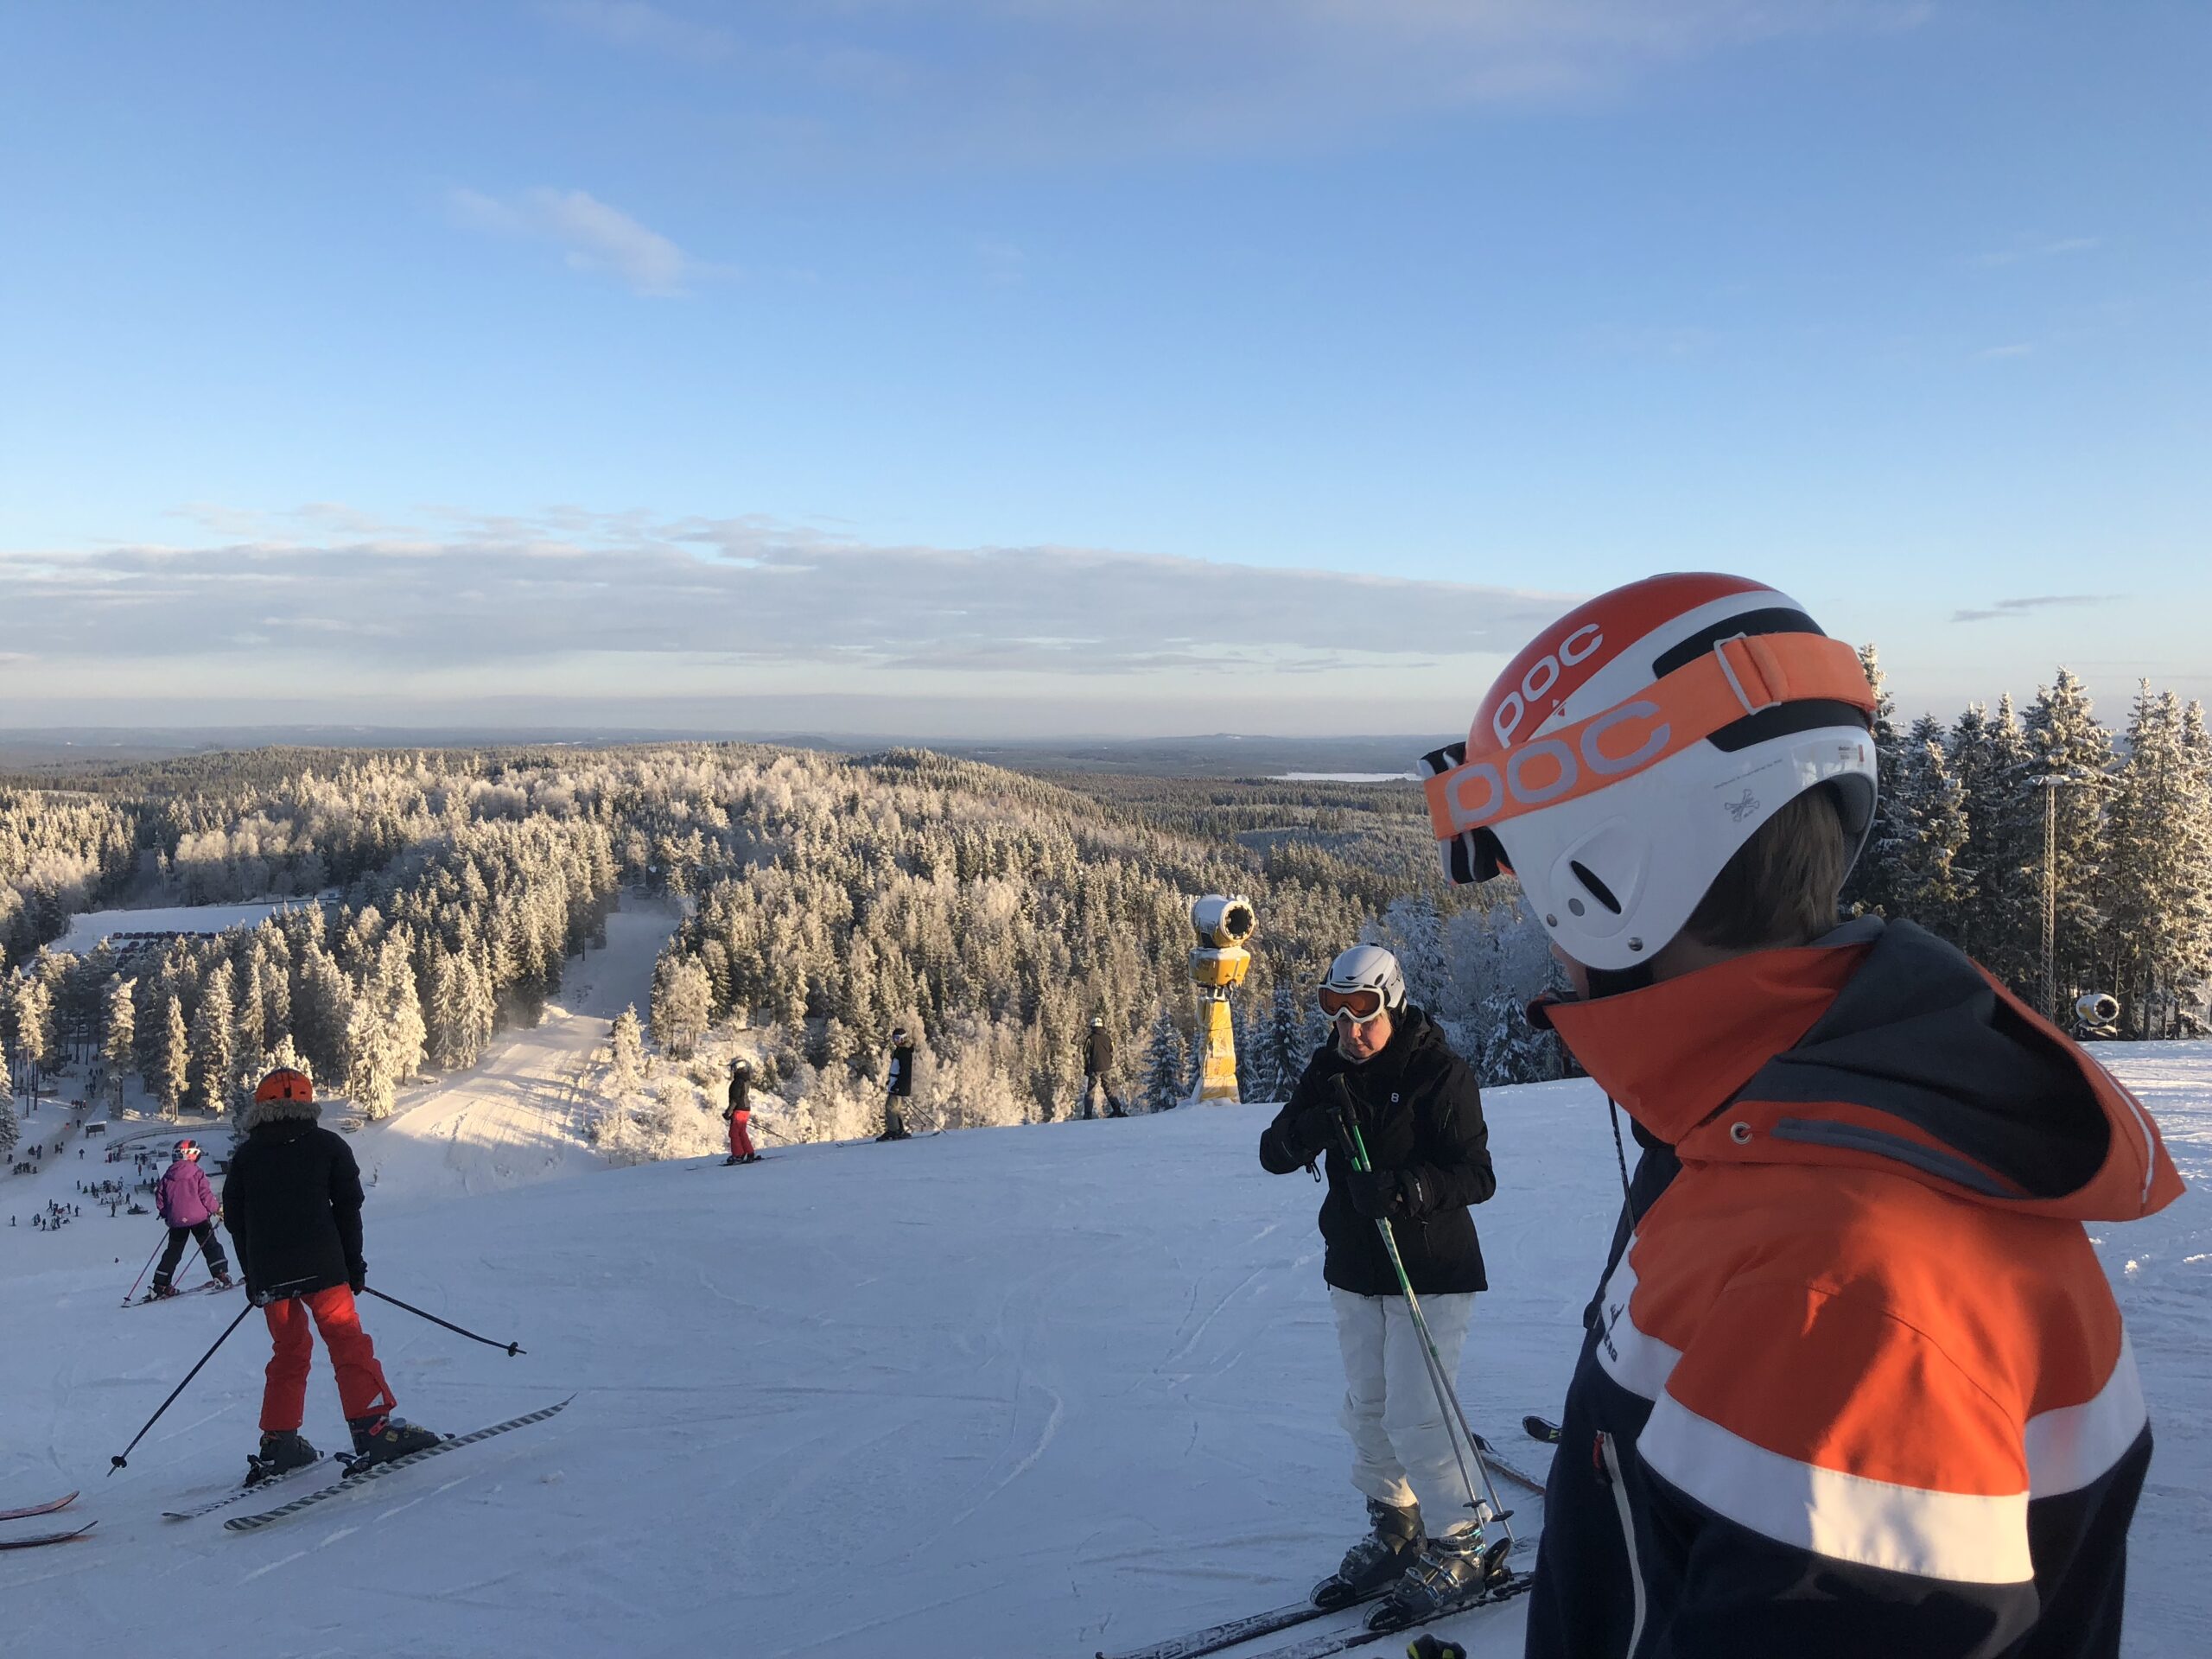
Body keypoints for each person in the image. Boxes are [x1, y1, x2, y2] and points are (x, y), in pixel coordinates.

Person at [1412, 572, 2187, 1658]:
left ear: (1614, 876)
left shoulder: (1834, 1285)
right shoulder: (1756, 1130)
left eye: (1540, 886)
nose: (1549, 939)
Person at [1258, 944, 1498, 1626]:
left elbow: (1477, 1175)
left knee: (1418, 1414)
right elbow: (1273, 1153)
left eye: (1363, 1015)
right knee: (1369, 1408)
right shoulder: (1328, 1071)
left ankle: (1462, 1541)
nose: (1351, 1032)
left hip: (1430, 1271)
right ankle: (1398, 1526)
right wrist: (1305, 1131)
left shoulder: (1439, 1073)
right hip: (1356, 1268)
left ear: (1393, 1003)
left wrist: (1404, 1189)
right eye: (1338, 1016)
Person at [223, 1067, 442, 1481]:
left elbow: (235, 1222)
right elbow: (348, 1208)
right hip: (324, 1268)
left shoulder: (247, 1157)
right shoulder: (327, 1145)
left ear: (260, 1105)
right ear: (308, 1102)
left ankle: (280, 1442)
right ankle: (373, 1428)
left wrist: (254, 1277)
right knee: (346, 1341)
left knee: (289, 1350)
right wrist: (353, 1265)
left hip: (271, 1276)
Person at [145, 1139, 232, 1299]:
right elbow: (205, 1195)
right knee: (210, 1246)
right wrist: (217, 1210)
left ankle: (160, 1285)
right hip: (199, 1218)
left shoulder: (167, 1175)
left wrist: (167, 1215)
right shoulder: (197, 1172)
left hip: (177, 1221)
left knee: (173, 1252)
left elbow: (160, 1199)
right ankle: (220, 1275)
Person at [1080, 1016, 1122, 1119]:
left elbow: (1086, 1054)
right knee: (1108, 1089)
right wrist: (1109, 1062)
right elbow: (1112, 1052)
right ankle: (1117, 1109)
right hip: (1107, 1067)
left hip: (1095, 1068)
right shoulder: (1108, 1038)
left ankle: (1088, 1114)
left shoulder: (1090, 1038)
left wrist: (1087, 1067)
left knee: (1091, 1091)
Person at [879, 1028, 914, 1141]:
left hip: (898, 1085)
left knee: (890, 1107)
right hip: (896, 1083)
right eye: (894, 1038)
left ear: (904, 1038)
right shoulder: (900, 1051)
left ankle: (894, 1131)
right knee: (895, 1108)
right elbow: (896, 1069)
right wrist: (891, 1081)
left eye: (898, 1038)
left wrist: (898, 1085)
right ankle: (899, 1130)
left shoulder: (904, 1052)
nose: (895, 1041)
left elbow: (905, 1072)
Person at [722, 1058, 760, 1166]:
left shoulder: (737, 1082)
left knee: (734, 1133)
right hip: (745, 1109)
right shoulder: (745, 1080)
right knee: (742, 1132)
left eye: (733, 1068)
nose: (732, 1071)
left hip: (739, 1110)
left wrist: (729, 1112)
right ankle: (749, 1152)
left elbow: (735, 1098)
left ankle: (738, 1155)